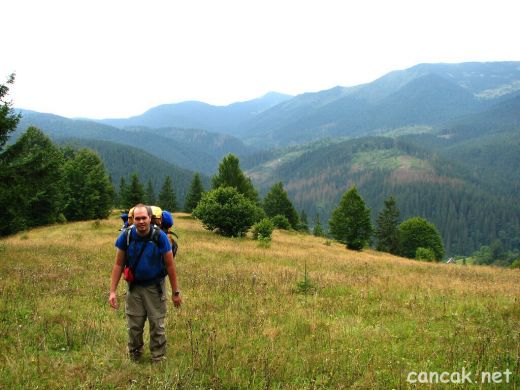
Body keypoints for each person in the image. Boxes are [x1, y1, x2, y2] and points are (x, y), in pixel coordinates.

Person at [109, 204, 182, 362]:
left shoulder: (160, 236)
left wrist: (176, 293)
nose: (141, 221)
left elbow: (170, 266)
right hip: (134, 288)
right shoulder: (126, 236)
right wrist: (112, 292)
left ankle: (158, 358)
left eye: (144, 218)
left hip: (155, 288)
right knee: (134, 325)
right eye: (137, 218)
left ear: (150, 219)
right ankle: (135, 355)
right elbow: (118, 264)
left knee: (157, 324)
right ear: (133, 220)